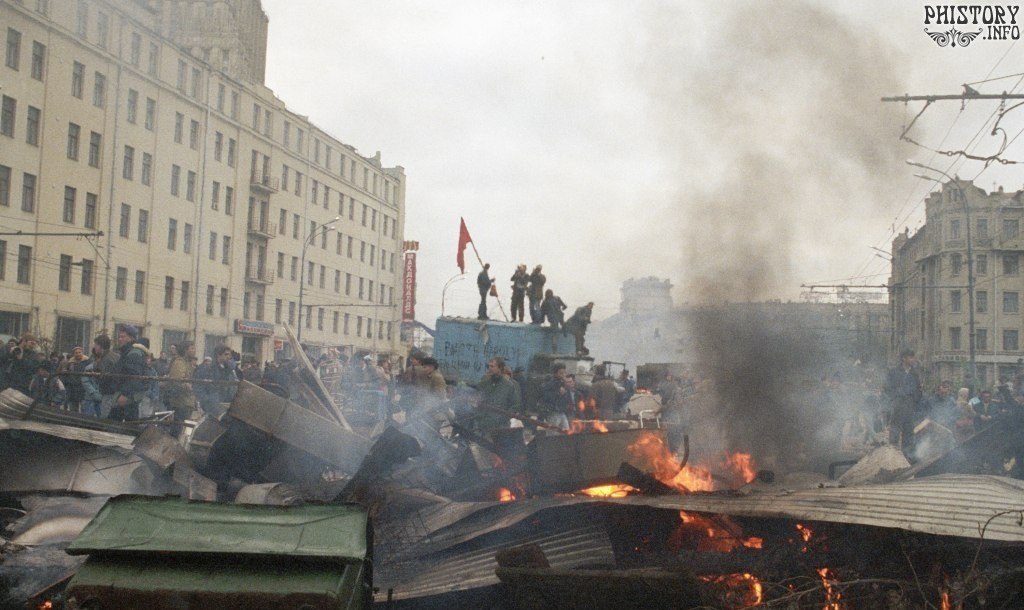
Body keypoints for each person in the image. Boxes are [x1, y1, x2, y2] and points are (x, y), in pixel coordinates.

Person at [883, 348, 923, 450]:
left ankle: (907, 457)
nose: (913, 359)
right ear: (903, 358)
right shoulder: (894, 372)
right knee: (894, 433)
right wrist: (896, 398)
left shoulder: (914, 374)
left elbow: (919, 390)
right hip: (897, 407)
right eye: (911, 357)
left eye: (913, 357)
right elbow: (887, 388)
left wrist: (914, 399)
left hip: (910, 407)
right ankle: (892, 457)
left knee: (909, 434)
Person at [108, 325, 149, 421]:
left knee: (121, 424)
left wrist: (125, 395)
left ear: (131, 338)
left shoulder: (133, 353)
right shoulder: (127, 352)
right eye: (119, 337)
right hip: (124, 394)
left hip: (127, 397)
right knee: (125, 422)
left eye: (123, 337)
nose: (119, 339)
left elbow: (134, 376)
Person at [475, 357, 520, 434]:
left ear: (500, 368)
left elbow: (515, 405)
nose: (489, 368)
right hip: (485, 426)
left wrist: (503, 418)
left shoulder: (508, 386)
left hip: (501, 428)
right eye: (488, 366)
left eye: (492, 366)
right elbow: (477, 400)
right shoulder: (484, 384)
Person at [193, 344, 239, 416]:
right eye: (226, 354)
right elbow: (198, 386)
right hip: (212, 404)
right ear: (218, 355)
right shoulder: (207, 369)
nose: (228, 357)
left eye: (229, 355)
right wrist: (207, 401)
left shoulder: (229, 370)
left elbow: (232, 386)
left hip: (226, 404)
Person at [164, 340, 198, 427]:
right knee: (178, 427)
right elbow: (177, 381)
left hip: (186, 401)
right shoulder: (179, 362)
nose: (194, 351)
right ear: (185, 350)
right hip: (180, 402)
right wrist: (190, 387)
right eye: (192, 348)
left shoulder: (188, 363)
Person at [61, 345, 90, 413]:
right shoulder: (70, 363)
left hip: (84, 388)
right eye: (76, 352)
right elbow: (66, 374)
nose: (78, 354)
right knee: (73, 408)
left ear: (82, 353)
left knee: (84, 408)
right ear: (74, 354)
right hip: (72, 389)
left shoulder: (87, 362)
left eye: (79, 352)